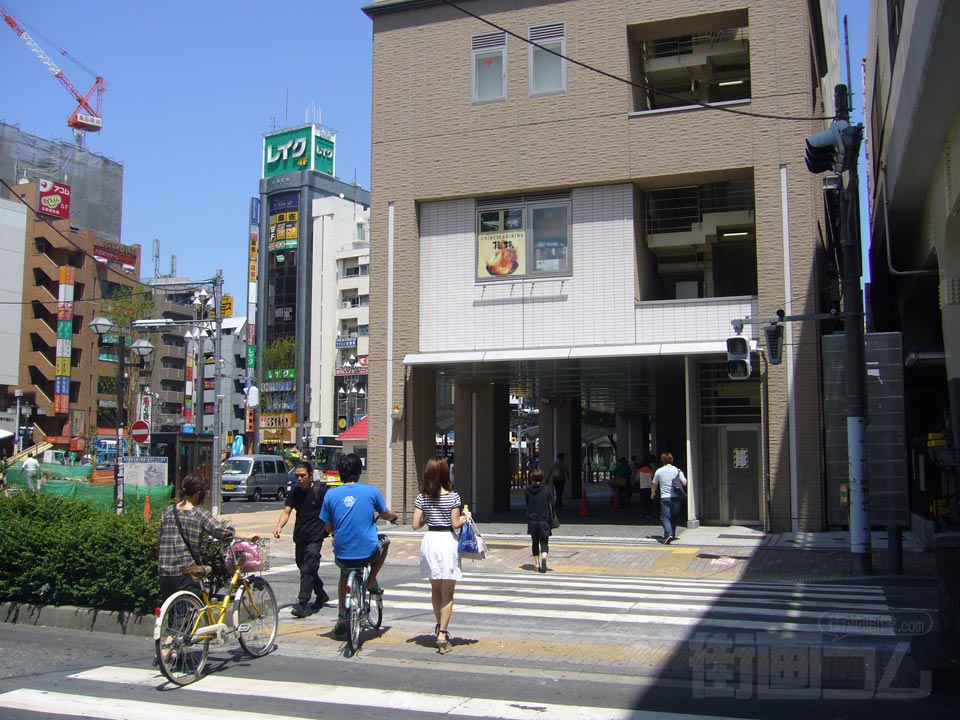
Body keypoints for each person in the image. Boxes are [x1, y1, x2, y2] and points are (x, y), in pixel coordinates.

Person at [320, 453, 398, 640]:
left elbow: (328, 527)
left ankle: (341, 618)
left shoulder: (330, 495)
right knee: (385, 542)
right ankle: (371, 579)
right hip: (368, 551)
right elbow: (385, 514)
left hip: (342, 552)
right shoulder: (371, 491)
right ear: (358, 471)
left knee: (344, 574)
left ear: (340, 473)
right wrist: (393, 516)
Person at [157, 474, 257, 601]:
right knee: (188, 614)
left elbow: (159, 541)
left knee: (173, 612)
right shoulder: (198, 514)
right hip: (186, 572)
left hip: (164, 571)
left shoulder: (168, 511)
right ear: (198, 494)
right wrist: (247, 536)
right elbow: (220, 531)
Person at [412, 457, 471, 652]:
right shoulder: (453, 497)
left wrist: (427, 518)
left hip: (430, 541)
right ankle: (443, 633)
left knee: (435, 589)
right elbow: (455, 524)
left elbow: (415, 525)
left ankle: (439, 628)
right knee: (448, 592)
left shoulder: (422, 497)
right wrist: (466, 518)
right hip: (447, 541)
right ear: (446, 473)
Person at [273, 461, 330, 618]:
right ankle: (321, 594)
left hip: (315, 536)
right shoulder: (295, 492)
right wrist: (279, 526)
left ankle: (303, 603)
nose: (299, 479)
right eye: (297, 476)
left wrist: (333, 532)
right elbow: (287, 511)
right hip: (300, 535)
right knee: (303, 566)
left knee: (308, 567)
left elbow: (331, 512)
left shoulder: (320, 491)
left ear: (310, 475)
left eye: (302, 475)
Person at [650, 452, 687, 544]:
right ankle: (672, 534)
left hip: (665, 497)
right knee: (674, 516)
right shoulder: (677, 470)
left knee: (665, 517)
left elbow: (654, 484)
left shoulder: (659, 471)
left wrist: (653, 493)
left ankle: (668, 534)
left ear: (662, 460)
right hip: (676, 497)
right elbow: (684, 483)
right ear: (672, 460)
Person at [525, 469, 555, 573]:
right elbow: (552, 502)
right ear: (542, 478)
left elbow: (527, 504)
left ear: (532, 478)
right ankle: (544, 557)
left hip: (532, 520)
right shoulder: (547, 489)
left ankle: (537, 564)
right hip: (544, 520)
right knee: (544, 542)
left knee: (534, 542)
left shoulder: (528, 489)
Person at [635, 455, 656, 519]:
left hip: (642, 487)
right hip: (649, 487)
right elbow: (653, 479)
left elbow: (637, 479)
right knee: (649, 501)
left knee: (643, 501)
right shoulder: (650, 470)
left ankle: (643, 511)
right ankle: (648, 513)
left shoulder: (639, 470)